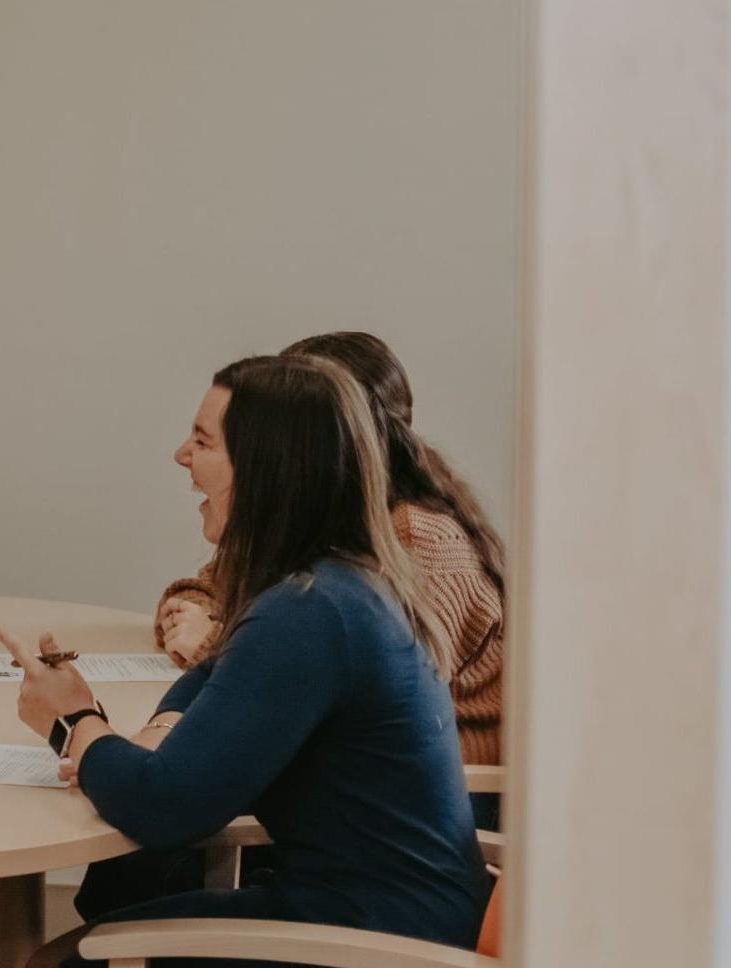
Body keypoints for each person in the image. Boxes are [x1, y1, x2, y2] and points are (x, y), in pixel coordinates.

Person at [0, 355, 488, 968]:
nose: (182, 457)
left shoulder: (309, 613)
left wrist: (76, 727)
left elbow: (169, 810)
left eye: (204, 440)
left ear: (270, 467)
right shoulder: (333, 587)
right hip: (386, 941)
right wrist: (128, 737)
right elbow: (203, 692)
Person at [82, 332, 508, 925]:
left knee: (149, 838)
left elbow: (301, 664)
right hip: (360, 822)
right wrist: (180, 683)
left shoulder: (394, 554)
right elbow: (218, 597)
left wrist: (78, 725)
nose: (183, 455)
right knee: (142, 833)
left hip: (412, 816)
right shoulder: (325, 558)